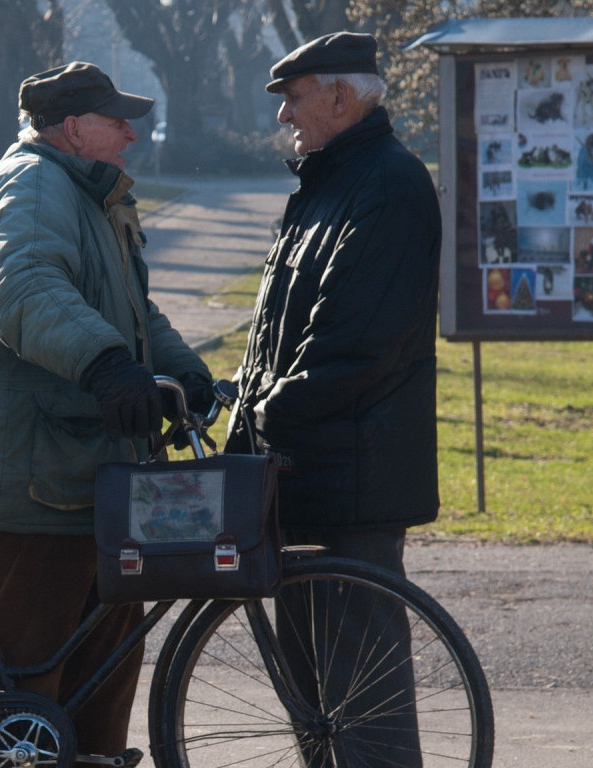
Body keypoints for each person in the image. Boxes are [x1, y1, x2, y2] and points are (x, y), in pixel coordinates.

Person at [0, 61, 212, 762]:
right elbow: (23, 291)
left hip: (91, 478)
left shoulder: (89, 193)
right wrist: (107, 365)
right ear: (71, 128)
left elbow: (133, 310)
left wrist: (183, 372)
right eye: (117, 120)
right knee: (24, 695)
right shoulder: (31, 188)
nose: (131, 133)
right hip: (33, 486)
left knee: (103, 681)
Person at [225, 31, 441, 766]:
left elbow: (354, 345)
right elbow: (280, 333)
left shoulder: (388, 185)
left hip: (352, 483)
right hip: (309, 478)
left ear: (341, 98)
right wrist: (246, 404)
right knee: (318, 710)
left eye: (294, 97)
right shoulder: (330, 184)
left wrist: (263, 413)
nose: (286, 115)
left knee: (362, 713)